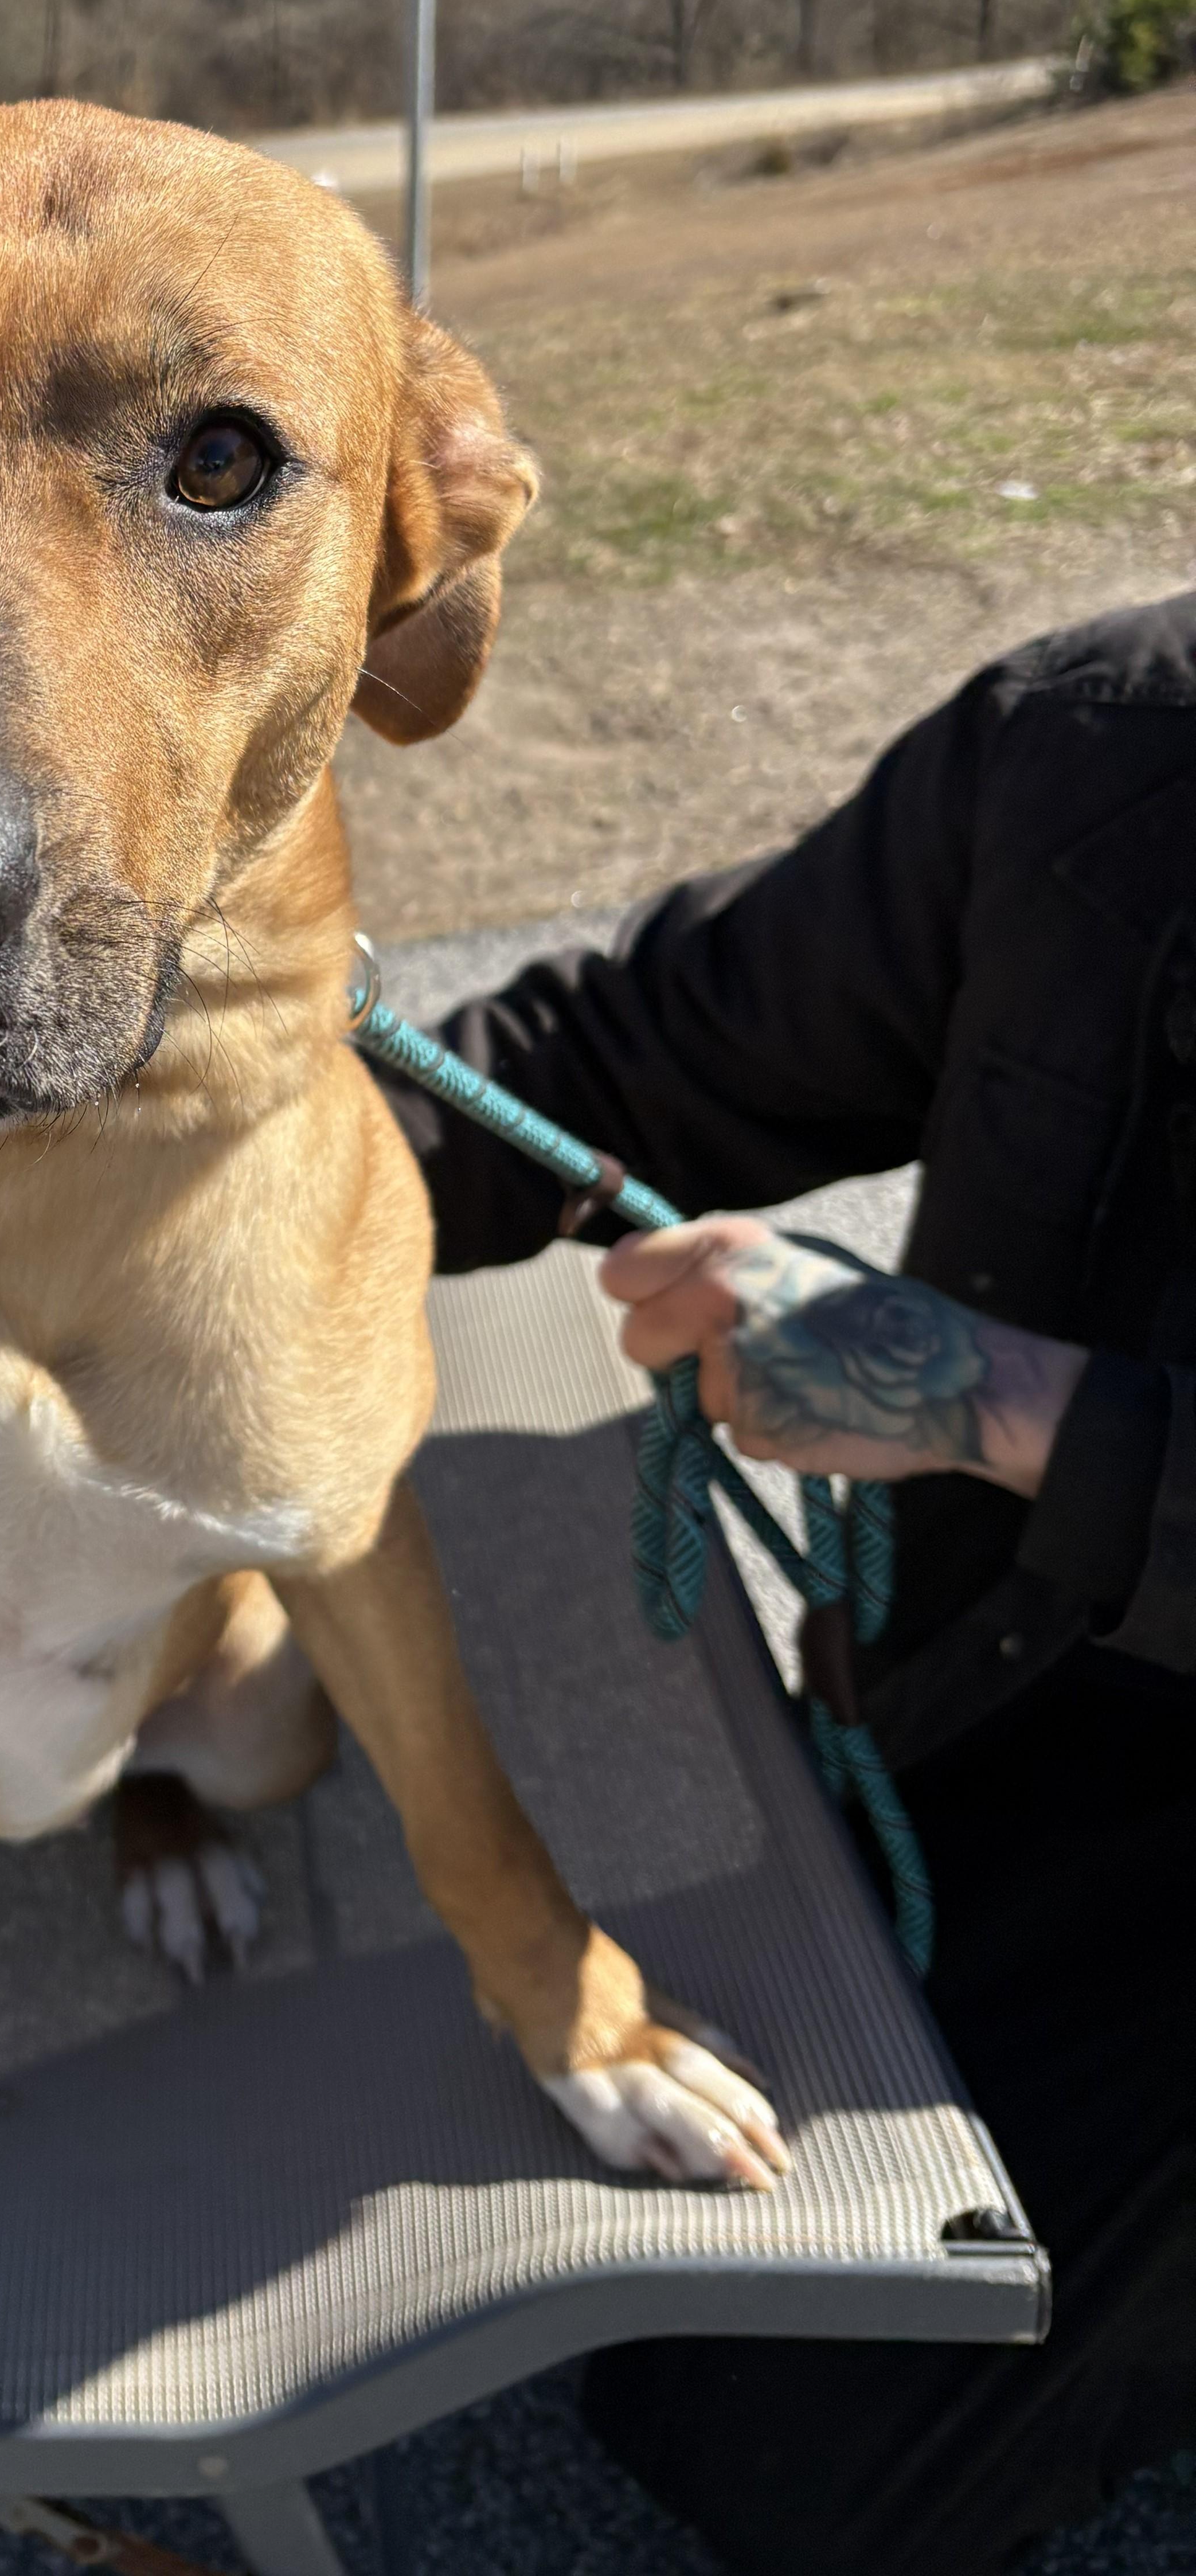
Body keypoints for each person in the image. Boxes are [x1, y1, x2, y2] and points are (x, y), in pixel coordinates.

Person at [379, 591, 1196, 2576]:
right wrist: (218, 1124)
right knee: (723, 2375)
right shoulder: (1111, 749)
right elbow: (643, 1051)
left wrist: (1001, 1404)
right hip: (1008, 1685)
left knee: (830, 2452)